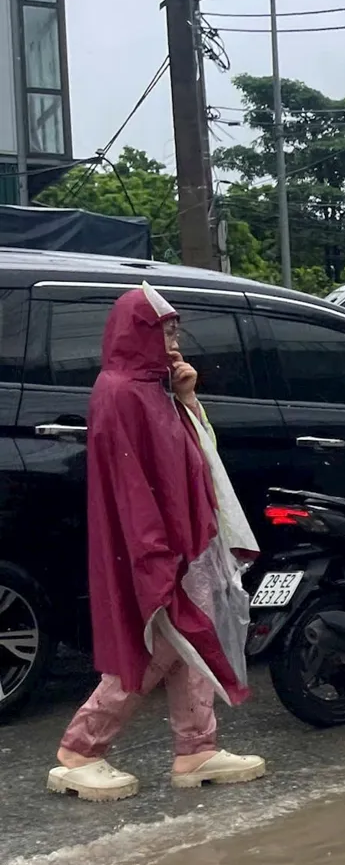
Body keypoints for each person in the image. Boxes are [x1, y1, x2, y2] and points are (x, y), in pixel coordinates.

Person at [48, 285, 266, 802]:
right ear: (137, 331)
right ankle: (81, 750)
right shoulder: (120, 391)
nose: (173, 341)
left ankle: (197, 747)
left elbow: (198, 457)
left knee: (193, 637)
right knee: (159, 641)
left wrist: (187, 399)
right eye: (164, 330)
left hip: (186, 537)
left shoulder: (156, 388)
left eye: (174, 330)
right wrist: (154, 550)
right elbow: (128, 483)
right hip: (159, 543)